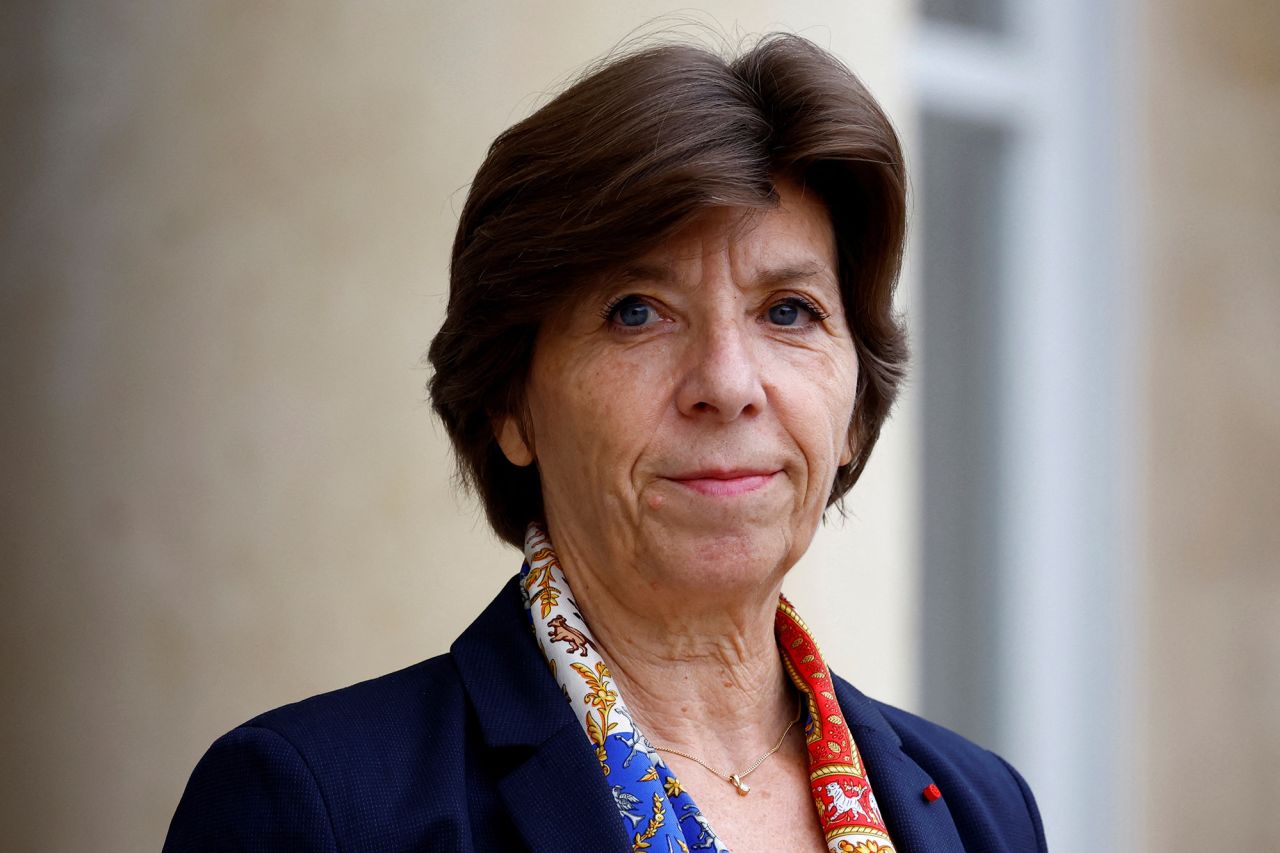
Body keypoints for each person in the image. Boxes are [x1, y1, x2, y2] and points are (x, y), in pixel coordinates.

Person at [164, 34, 1046, 853]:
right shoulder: (316, 808)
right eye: (637, 312)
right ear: (512, 402)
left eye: (789, 311)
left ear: (853, 410)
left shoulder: (984, 810)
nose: (728, 383)